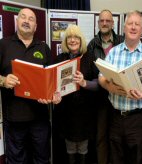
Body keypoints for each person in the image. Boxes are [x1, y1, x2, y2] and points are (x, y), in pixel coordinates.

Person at [98, 10, 142, 164]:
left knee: (136, 158)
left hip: (137, 119)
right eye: (130, 24)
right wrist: (108, 87)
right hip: (115, 117)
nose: (133, 27)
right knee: (115, 158)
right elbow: (101, 77)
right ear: (124, 28)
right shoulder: (113, 52)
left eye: (137, 24)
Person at [0, 8, 56, 164]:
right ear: (17, 21)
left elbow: (51, 80)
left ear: (36, 26)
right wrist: (3, 80)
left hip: (40, 119)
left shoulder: (43, 48)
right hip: (14, 118)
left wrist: (52, 95)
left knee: (42, 159)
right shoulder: (3, 45)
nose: (26, 21)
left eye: (31, 19)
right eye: (23, 17)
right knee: (16, 161)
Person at [53, 24, 99, 164]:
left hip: (85, 114)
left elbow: (99, 84)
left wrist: (84, 83)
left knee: (84, 148)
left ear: (81, 40)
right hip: (66, 113)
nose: (73, 40)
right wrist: (54, 94)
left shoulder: (90, 57)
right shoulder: (60, 58)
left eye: (76, 37)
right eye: (69, 37)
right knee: (70, 148)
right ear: (66, 41)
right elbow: (52, 84)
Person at [87, 9, 124, 164]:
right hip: (100, 99)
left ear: (113, 23)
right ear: (98, 23)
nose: (104, 23)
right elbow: (90, 72)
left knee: (118, 138)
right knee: (101, 136)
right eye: (102, 21)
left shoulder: (122, 41)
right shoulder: (92, 45)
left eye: (107, 21)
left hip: (120, 97)